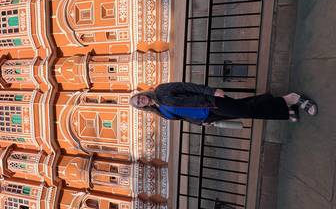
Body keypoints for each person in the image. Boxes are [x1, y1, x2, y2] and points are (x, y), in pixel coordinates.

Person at [129, 82, 317, 125]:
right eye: (139, 103)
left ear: (142, 94)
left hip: (210, 102)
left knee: (248, 110)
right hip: (210, 116)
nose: (141, 100)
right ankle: (286, 108)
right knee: (246, 109)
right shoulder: (159, 112)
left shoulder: (161, 91)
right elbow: (183, 117)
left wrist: (211, 91)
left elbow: (188, 87)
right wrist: (201, 123)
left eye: (139, 97)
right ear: (141, 107)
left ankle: (291, 99)